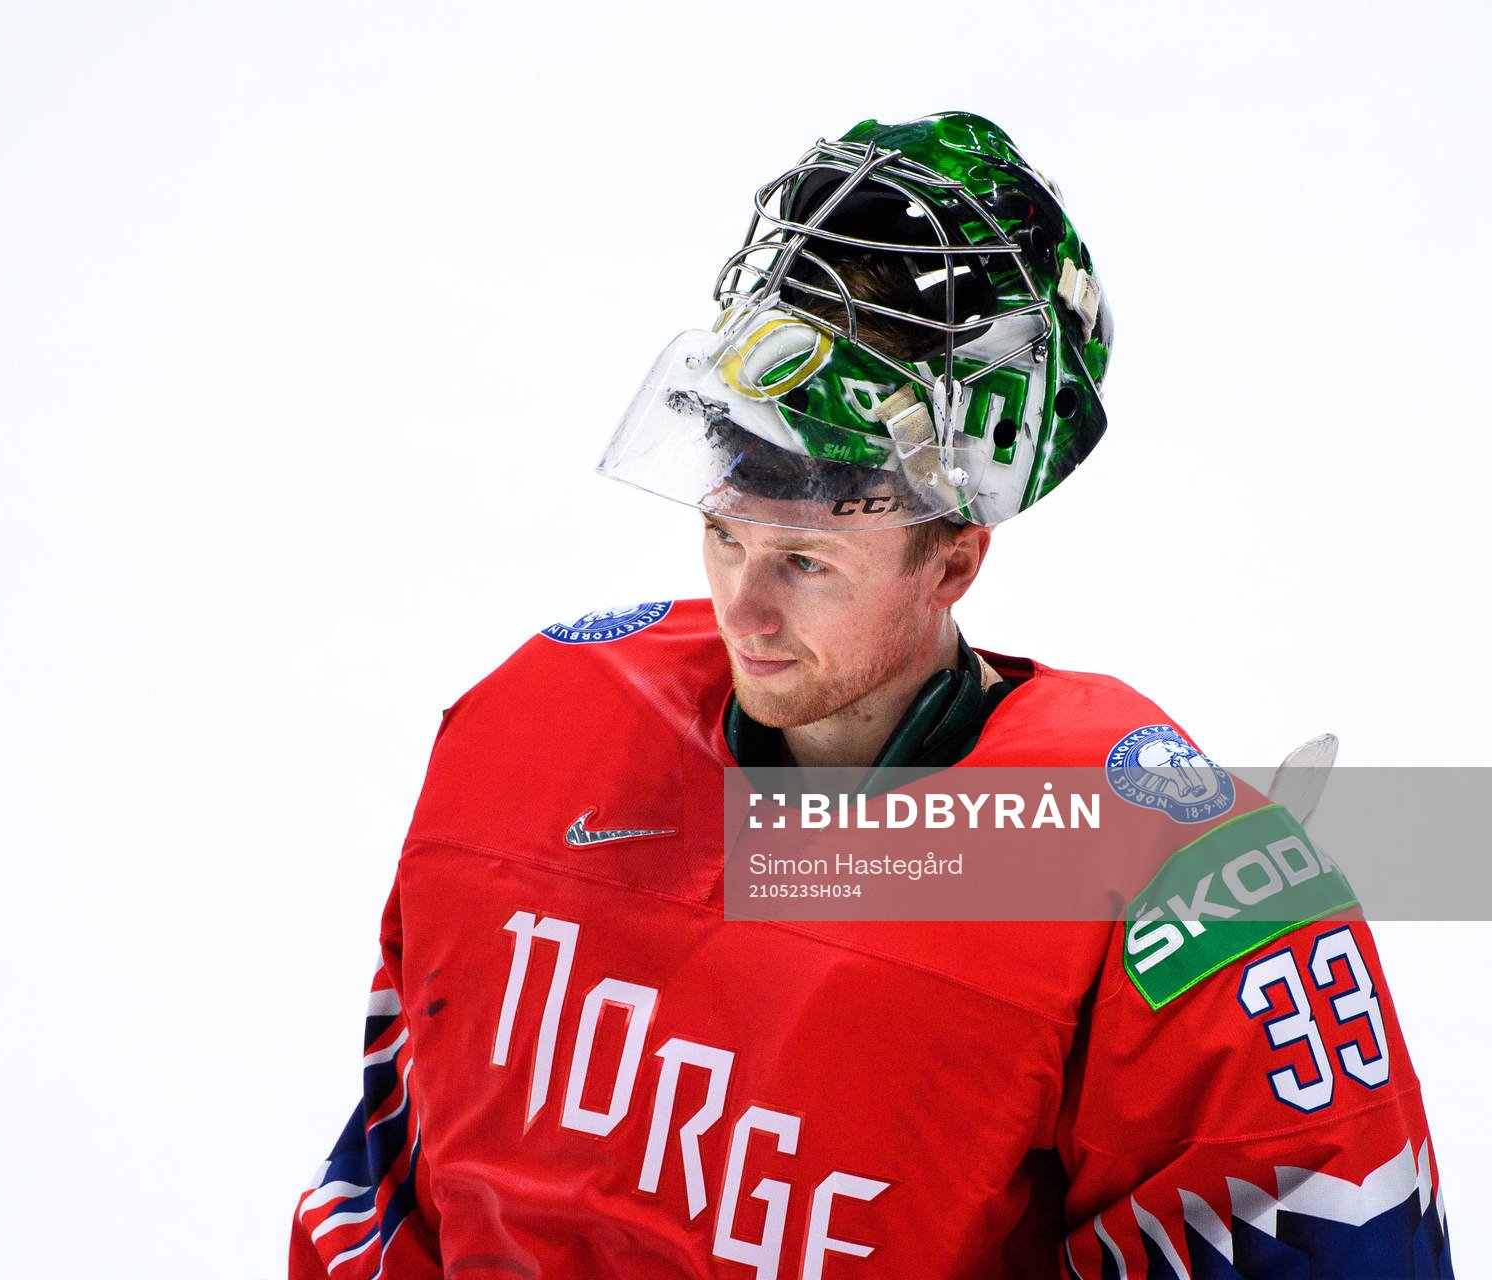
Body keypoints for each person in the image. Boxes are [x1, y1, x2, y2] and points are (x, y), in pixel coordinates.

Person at [288, 113, 1453, 1278]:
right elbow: (388, 1196)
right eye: (721, 536)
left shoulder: (1162, 881)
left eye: (806, 561)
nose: (743, 611)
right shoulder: (536, 725)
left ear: (953, 560)